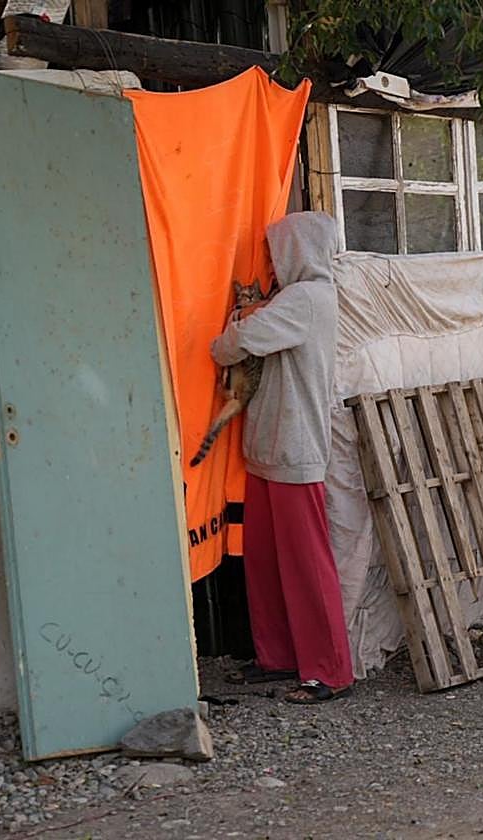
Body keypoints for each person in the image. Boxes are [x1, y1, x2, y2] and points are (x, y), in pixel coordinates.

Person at [210, 211, 354, 704]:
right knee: (267, 563)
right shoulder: (297, 300)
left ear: (298, 252)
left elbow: (237, 343)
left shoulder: (307, 299)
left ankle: (330, 670)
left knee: (305, 563)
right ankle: (277, 658)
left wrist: (228, 332)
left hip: (293, 448)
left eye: (277, 252)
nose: (271, 262)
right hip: (270, 447)